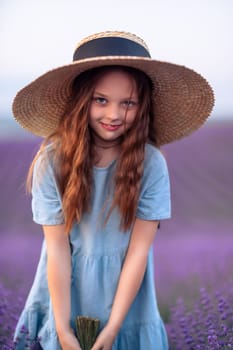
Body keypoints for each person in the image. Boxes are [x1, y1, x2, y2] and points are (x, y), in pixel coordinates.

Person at [12, 31, 214, 350]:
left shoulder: (151, 163)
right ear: (82, 100)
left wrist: (115, 325)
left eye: (128, 103)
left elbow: (137, 252)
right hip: (62, 296)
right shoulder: (52, 161)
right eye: (101, 100)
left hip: (128, 303)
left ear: (142, 105)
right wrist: (63, 329)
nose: (114, 115)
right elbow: (57, 249)